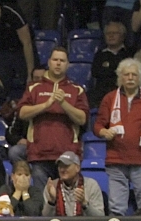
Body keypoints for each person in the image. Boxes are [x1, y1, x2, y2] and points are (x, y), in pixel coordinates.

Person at [93, 58, 141, 217]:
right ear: (120, 77)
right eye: (126, 75)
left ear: (140, 78)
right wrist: (104, 132)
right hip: (116, 162)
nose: (130, 78)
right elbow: (97, 125)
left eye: (134, 75)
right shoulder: (110, 98)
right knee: (116, 210)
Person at [16, 47, 89, 188]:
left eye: (62, 60)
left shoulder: (76, 89)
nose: (58, 63)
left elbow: (82, 119)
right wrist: (46, 105)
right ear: (49, 62)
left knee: (68, 198)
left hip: (68, 155)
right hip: (39, 154)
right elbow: (22, 113)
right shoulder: (34, 87)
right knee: (42, 199)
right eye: (55, 60)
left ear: (68, 64)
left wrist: (63, 103)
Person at [42, 152, 106, 217]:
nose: (62, 169)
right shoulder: (52, 186)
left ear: (77, 168)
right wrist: (51, 201)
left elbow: (100, 217)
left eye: (66, 166)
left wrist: (85, 204)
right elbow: (45, 219)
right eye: (60, 166)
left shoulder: (91, 185)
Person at [89, 22, 133, 109]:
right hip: (102, 93)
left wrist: (108, 69)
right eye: (108, 33)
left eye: (115, 33)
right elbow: (95, 72)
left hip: (123, 92)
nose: (111, 36)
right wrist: (116, 70)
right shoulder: (99, 54)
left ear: (122, 36)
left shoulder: (129, 53)